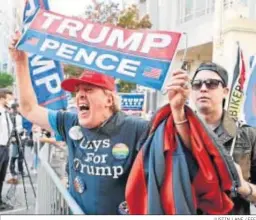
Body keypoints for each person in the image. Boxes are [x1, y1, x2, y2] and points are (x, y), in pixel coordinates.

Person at [9, 33, 193, 215]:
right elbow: (29, 109)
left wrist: (178, 110)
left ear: (109, 100)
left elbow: (181, 148)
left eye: (88, 89)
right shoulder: (70, 121)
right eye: (77, 90)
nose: (80, 94)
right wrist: (20, 62)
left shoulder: (135, 127)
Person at [190, 62, 256, 214]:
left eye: (212, 84)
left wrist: (244, 188)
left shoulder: (248, 135)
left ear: (225, 91)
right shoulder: (177, 133)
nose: (203, 88)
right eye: (197, 84)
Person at [0, 89, 13, 210]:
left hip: (6, 147)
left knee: (1, 176)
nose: (11, 101)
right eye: (9, 99)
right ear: (2, 99)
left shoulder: (7, 113)